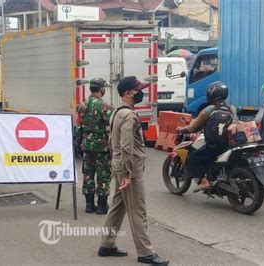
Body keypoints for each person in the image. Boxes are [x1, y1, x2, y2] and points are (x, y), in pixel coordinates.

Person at [98, 76, 168, 265]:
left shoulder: (117, 112)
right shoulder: (129, 115)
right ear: (128, 93)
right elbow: (126, 145)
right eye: (138, 90)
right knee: (138, 210)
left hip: (119, 165)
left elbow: (115, 144)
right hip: (130, 169)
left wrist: (119, 168)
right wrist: (128, 174)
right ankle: (146, 252)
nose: (141, 93)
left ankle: (107, 244)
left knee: (118, 206)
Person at [176, 81, 236, 190]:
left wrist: (182, 129)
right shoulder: (231, 109)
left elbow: (193, 128)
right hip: (228, 146)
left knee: (192, 158)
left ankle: (203, 182)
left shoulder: (208, 109)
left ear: (211, 94)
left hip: (214, 146)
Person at [76, 78, 114, 215]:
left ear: (90, 89)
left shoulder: (82, 105)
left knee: (88, 174)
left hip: (86, 146)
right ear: (102, 90)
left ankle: (89, 205)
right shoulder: (105, 107)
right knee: (103, 175)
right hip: (101, 148)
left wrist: (80, 144)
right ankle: (102, 206)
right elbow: (110, 129)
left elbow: (78, 127)